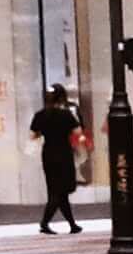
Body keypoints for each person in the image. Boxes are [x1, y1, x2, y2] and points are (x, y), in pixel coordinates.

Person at [31, 83, 90, 232]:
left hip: (48, 153)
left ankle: (72, 224)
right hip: (63, 153)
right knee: (60, 191)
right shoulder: (66, 115)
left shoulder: (40, 115)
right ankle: (44, 222)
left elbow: (33, 135)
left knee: (57, 190)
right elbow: (78, 132)